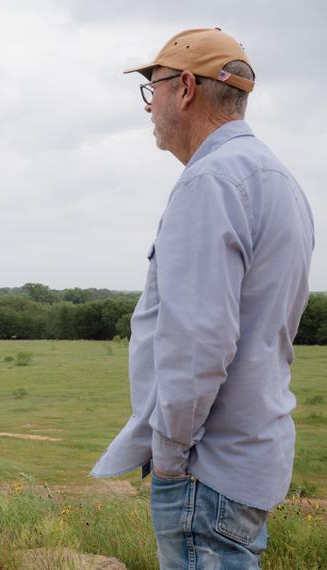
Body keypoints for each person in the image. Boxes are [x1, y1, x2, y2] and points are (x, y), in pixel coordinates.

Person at [90, 28, 315, 569]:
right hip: (249, 454)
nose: (150, 108)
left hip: (204, 470)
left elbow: (198, 344)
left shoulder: (209, 182)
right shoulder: (277, 179)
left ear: (186, 88)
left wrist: (169, 458)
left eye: (154, 89)